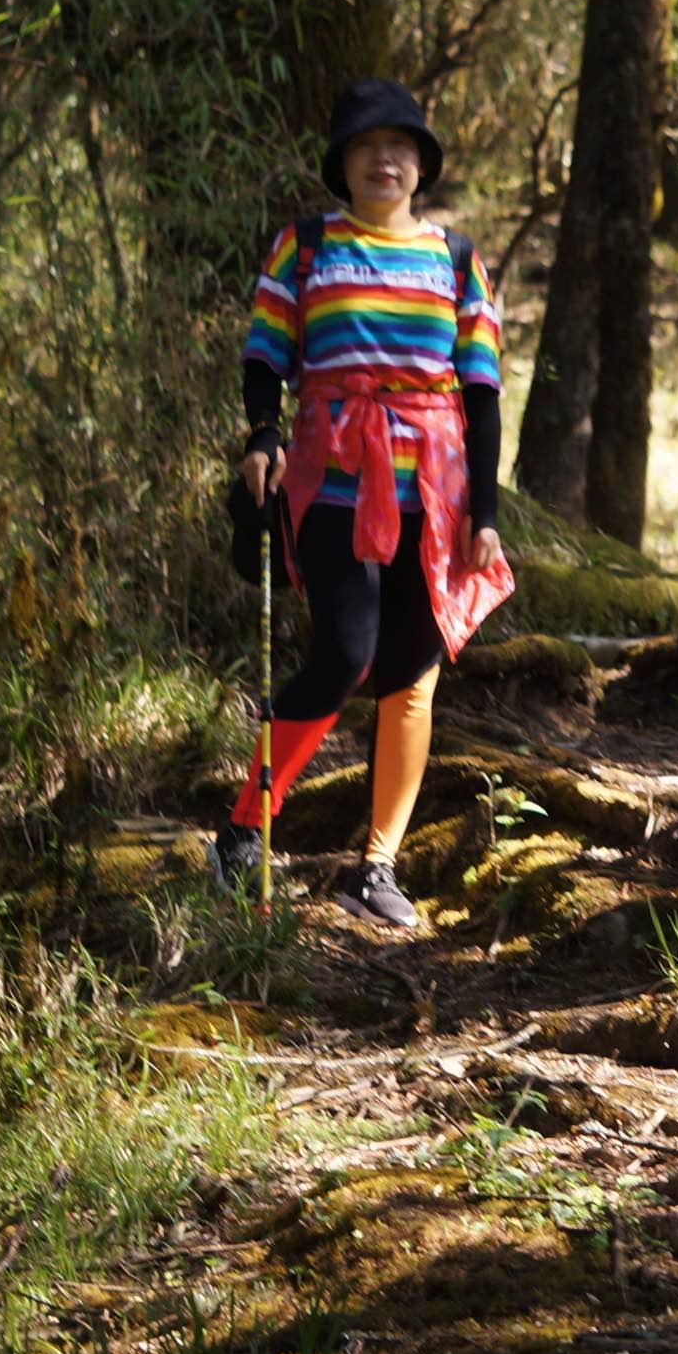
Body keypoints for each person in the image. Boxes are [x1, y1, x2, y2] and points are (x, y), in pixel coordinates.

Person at [217, 78, 515, 928]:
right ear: (342, 165)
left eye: (401, 146)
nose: (384, 159)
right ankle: (245, 828)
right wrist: (261, 433)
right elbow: (267, 353)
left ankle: (376, 867)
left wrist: (484, 513)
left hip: (435, 487)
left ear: (421, 166)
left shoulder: (457, 260)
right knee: (344, 654)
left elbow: (483, 390)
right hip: (333, 478)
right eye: (365, 146)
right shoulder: (305, 248)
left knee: (411, 678)